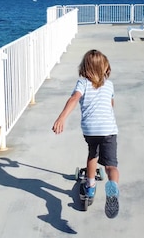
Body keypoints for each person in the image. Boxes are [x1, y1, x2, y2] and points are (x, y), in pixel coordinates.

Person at [52, 49, 120, 218]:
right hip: (108, 129)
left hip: (91, 130)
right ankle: (113, 188)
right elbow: (111, 106)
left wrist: (61, 118)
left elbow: (74, 98)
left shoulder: (82, 82)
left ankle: (90, 187)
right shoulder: (109, 85)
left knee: (93, 156)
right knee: (111, 166)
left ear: (85, 67)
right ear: (105, 68)